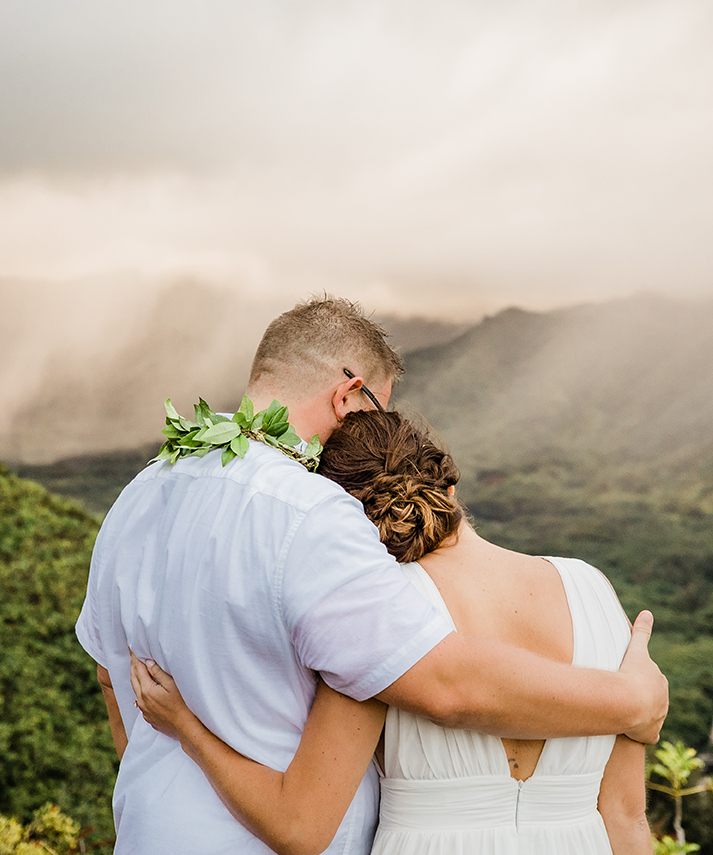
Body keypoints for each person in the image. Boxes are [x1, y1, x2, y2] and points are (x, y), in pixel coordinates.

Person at [75, 296, 666, 854]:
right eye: (376, 413)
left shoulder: (140, 492)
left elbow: (109, 675)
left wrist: (167, 773)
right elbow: (445, 685)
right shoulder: (315, 517)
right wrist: (632, 700)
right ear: (350, 396)